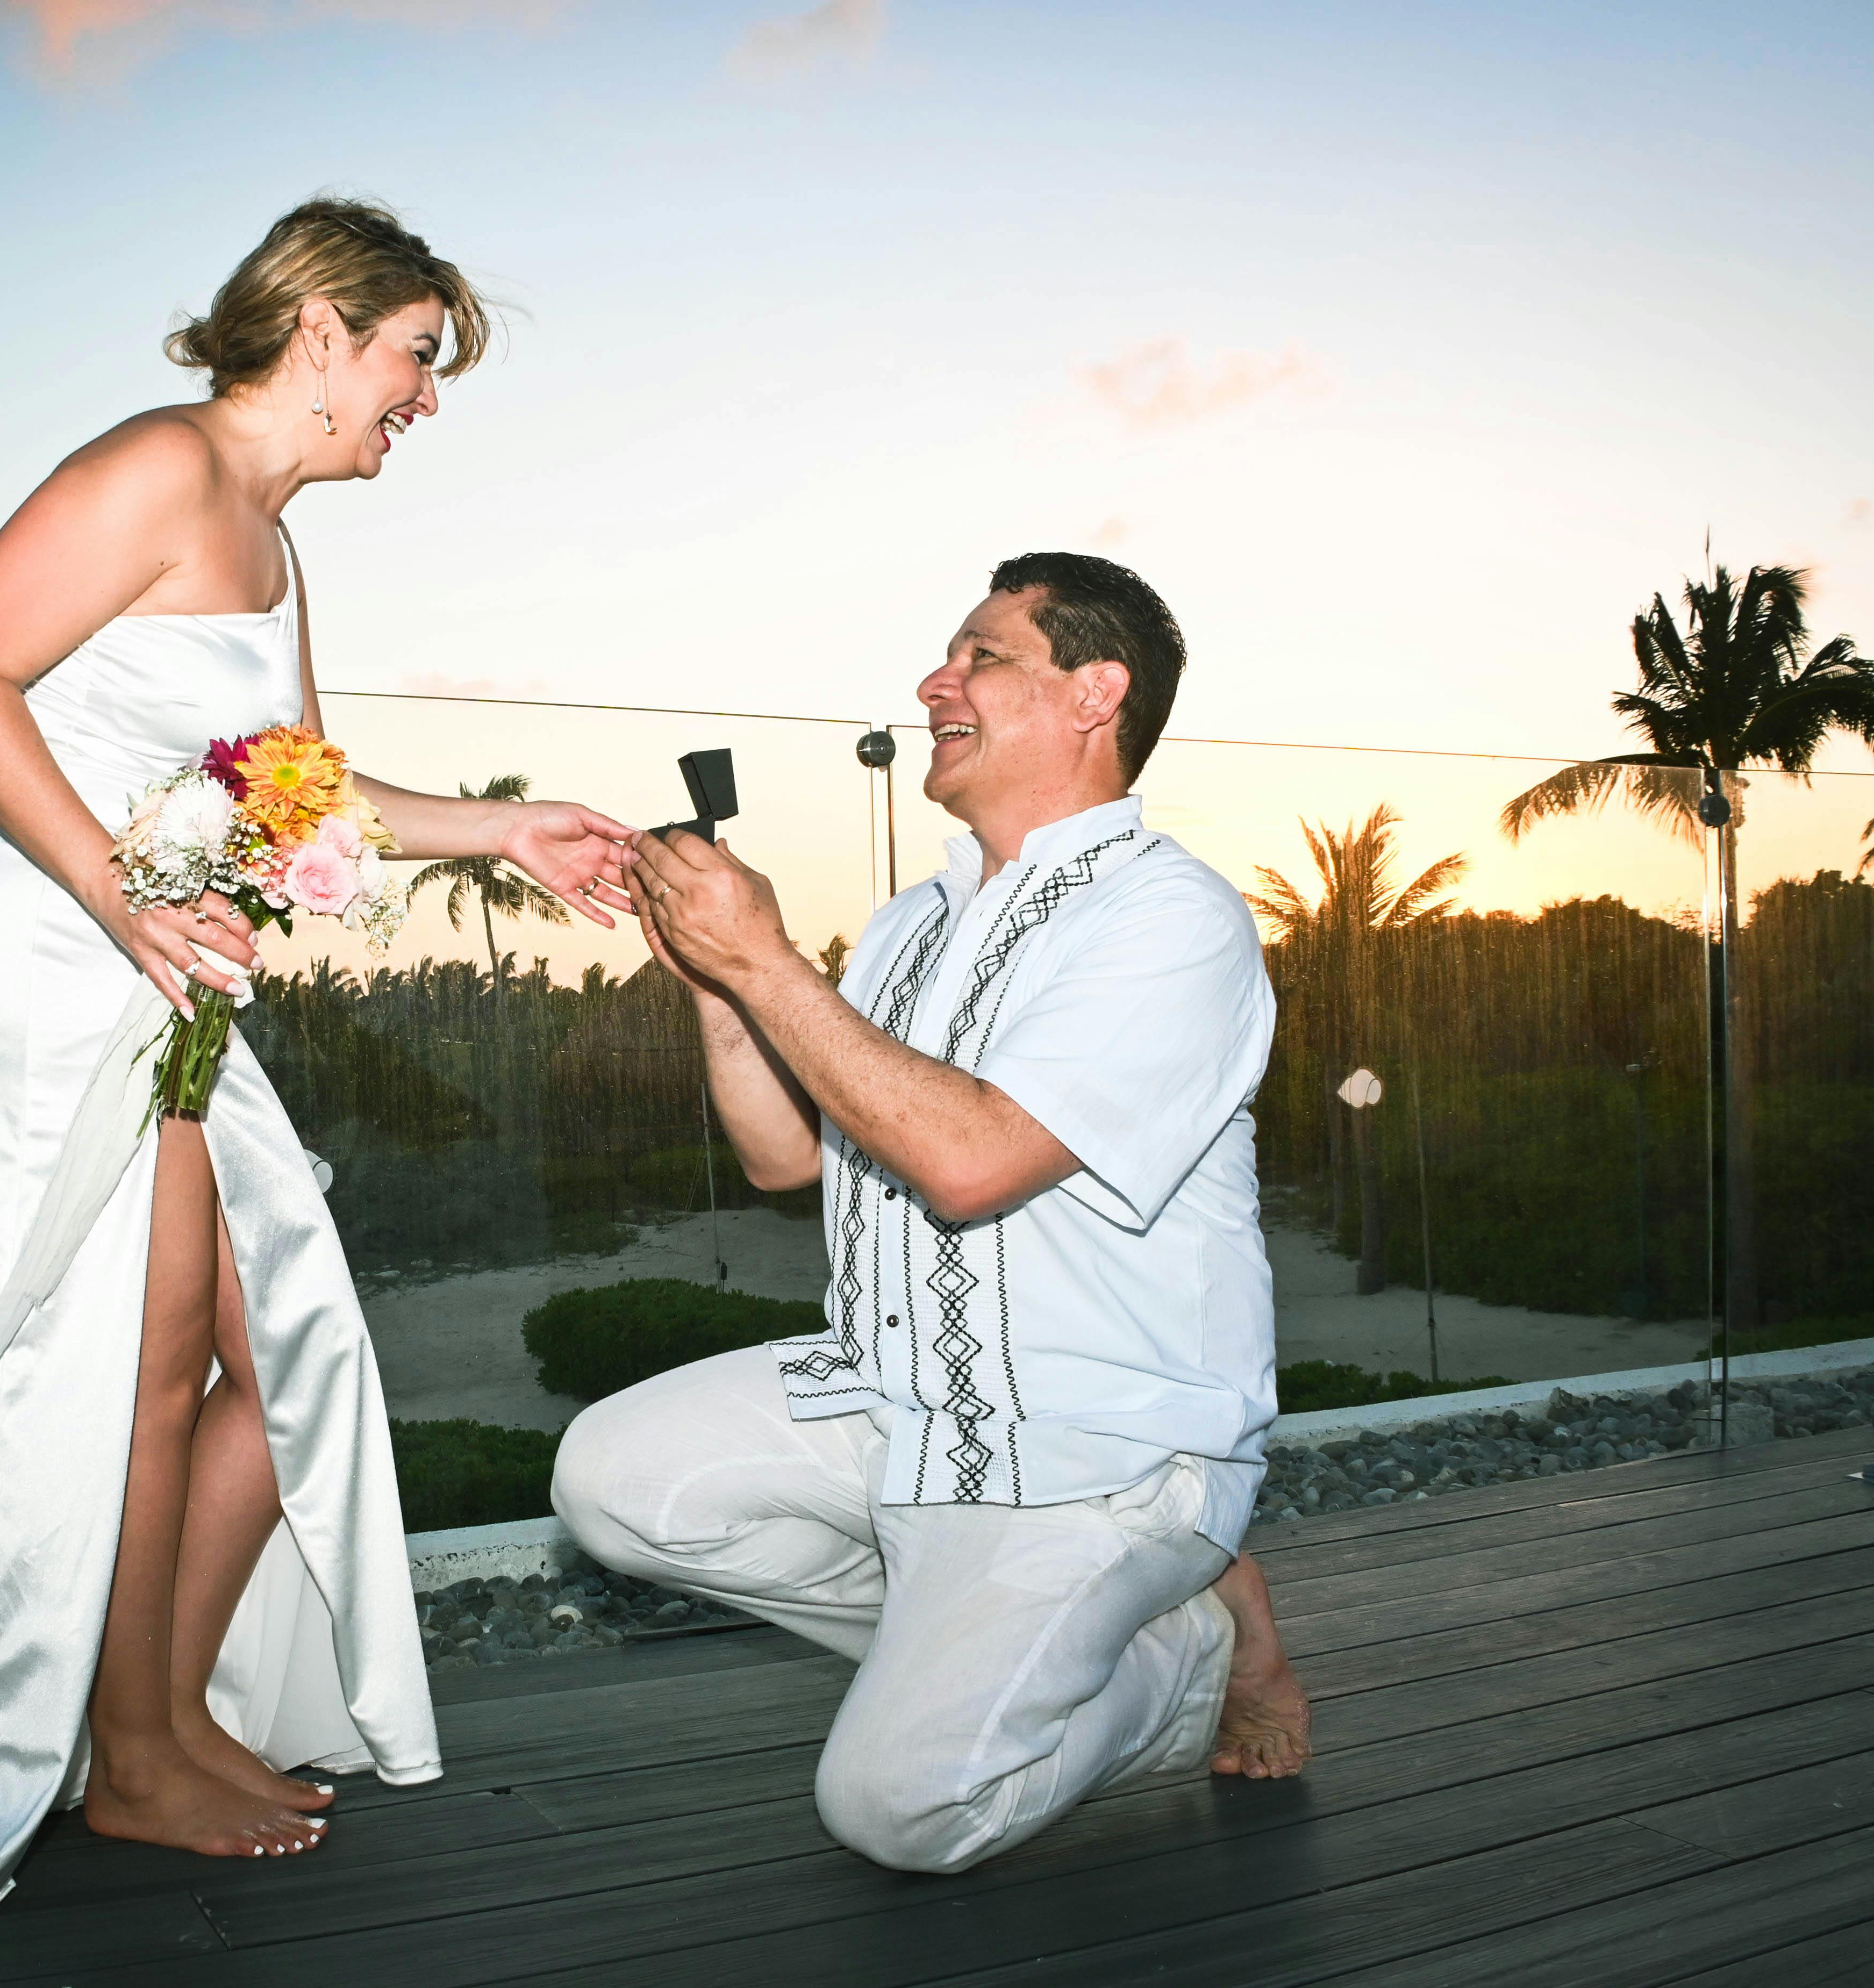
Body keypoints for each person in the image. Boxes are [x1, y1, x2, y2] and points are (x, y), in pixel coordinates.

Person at [0, 198, 633, 1941]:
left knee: (281, 1348)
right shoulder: (159, 468)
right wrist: (116, 893)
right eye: (417, 357)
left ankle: (160, 1718)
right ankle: (132, 1746)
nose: (424, 401)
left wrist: (509, 828)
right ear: (323, 327)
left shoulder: (270, 538)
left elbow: (293, 787)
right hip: (63, 965)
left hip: (168, 975)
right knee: (140, 1367)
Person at [553, 552, 1312, 1877]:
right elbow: (791, 1157)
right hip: (898, 1400)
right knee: (614, 1482)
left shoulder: (1172, 918)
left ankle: (1176, 1665)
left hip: (1101, 1445)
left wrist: (769, 960)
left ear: (1097, 693)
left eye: (982, 656)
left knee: (900, 1812)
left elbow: (971, 1162)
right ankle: (1031, 1644)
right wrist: (720, 986)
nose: (934, 683)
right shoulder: (910, 922)